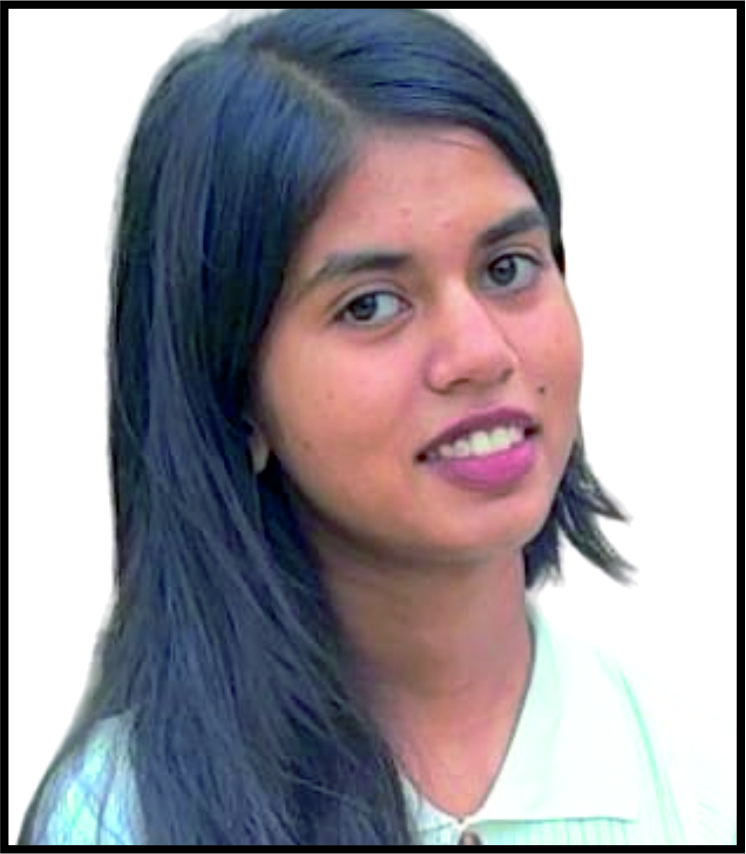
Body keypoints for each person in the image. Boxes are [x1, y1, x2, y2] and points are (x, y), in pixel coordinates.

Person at [17, 8, 734, 846]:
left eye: (507, 268)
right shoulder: (123, 816)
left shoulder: (706, 777)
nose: (480, 352)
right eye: (371, 306)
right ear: (234, 389)